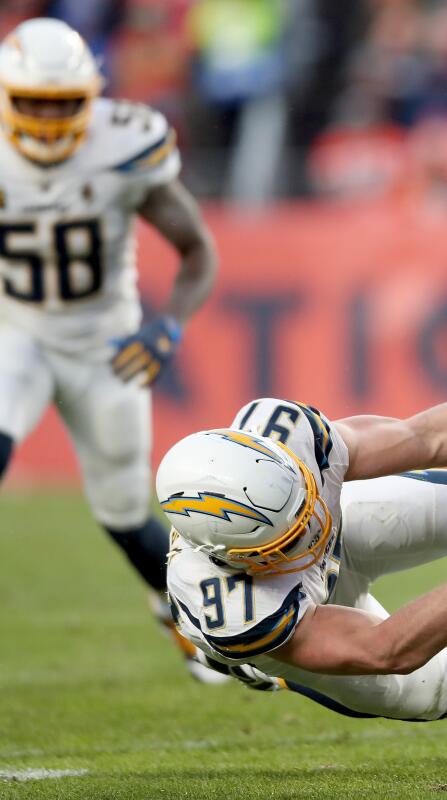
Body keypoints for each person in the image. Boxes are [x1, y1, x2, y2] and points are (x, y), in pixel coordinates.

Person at [0, 19, 219, 681]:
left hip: (105, 343)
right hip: (18, 331)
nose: (44, 119)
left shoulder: (125, 143)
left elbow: (197, 251)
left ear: (90, 96)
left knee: (125, 512)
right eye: (31, 101)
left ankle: (180, 612)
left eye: (61, 103)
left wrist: (168, 327)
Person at [159, 394, 447, 721]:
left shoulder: (288, 434)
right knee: (443, 690)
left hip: (349, 525)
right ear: (235, 557)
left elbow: (426, 436)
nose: (314, 526)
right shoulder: (237, 610)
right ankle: (251, 666)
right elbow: (387, 650)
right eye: (292, 535)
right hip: (305, 613)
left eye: (306, 501)